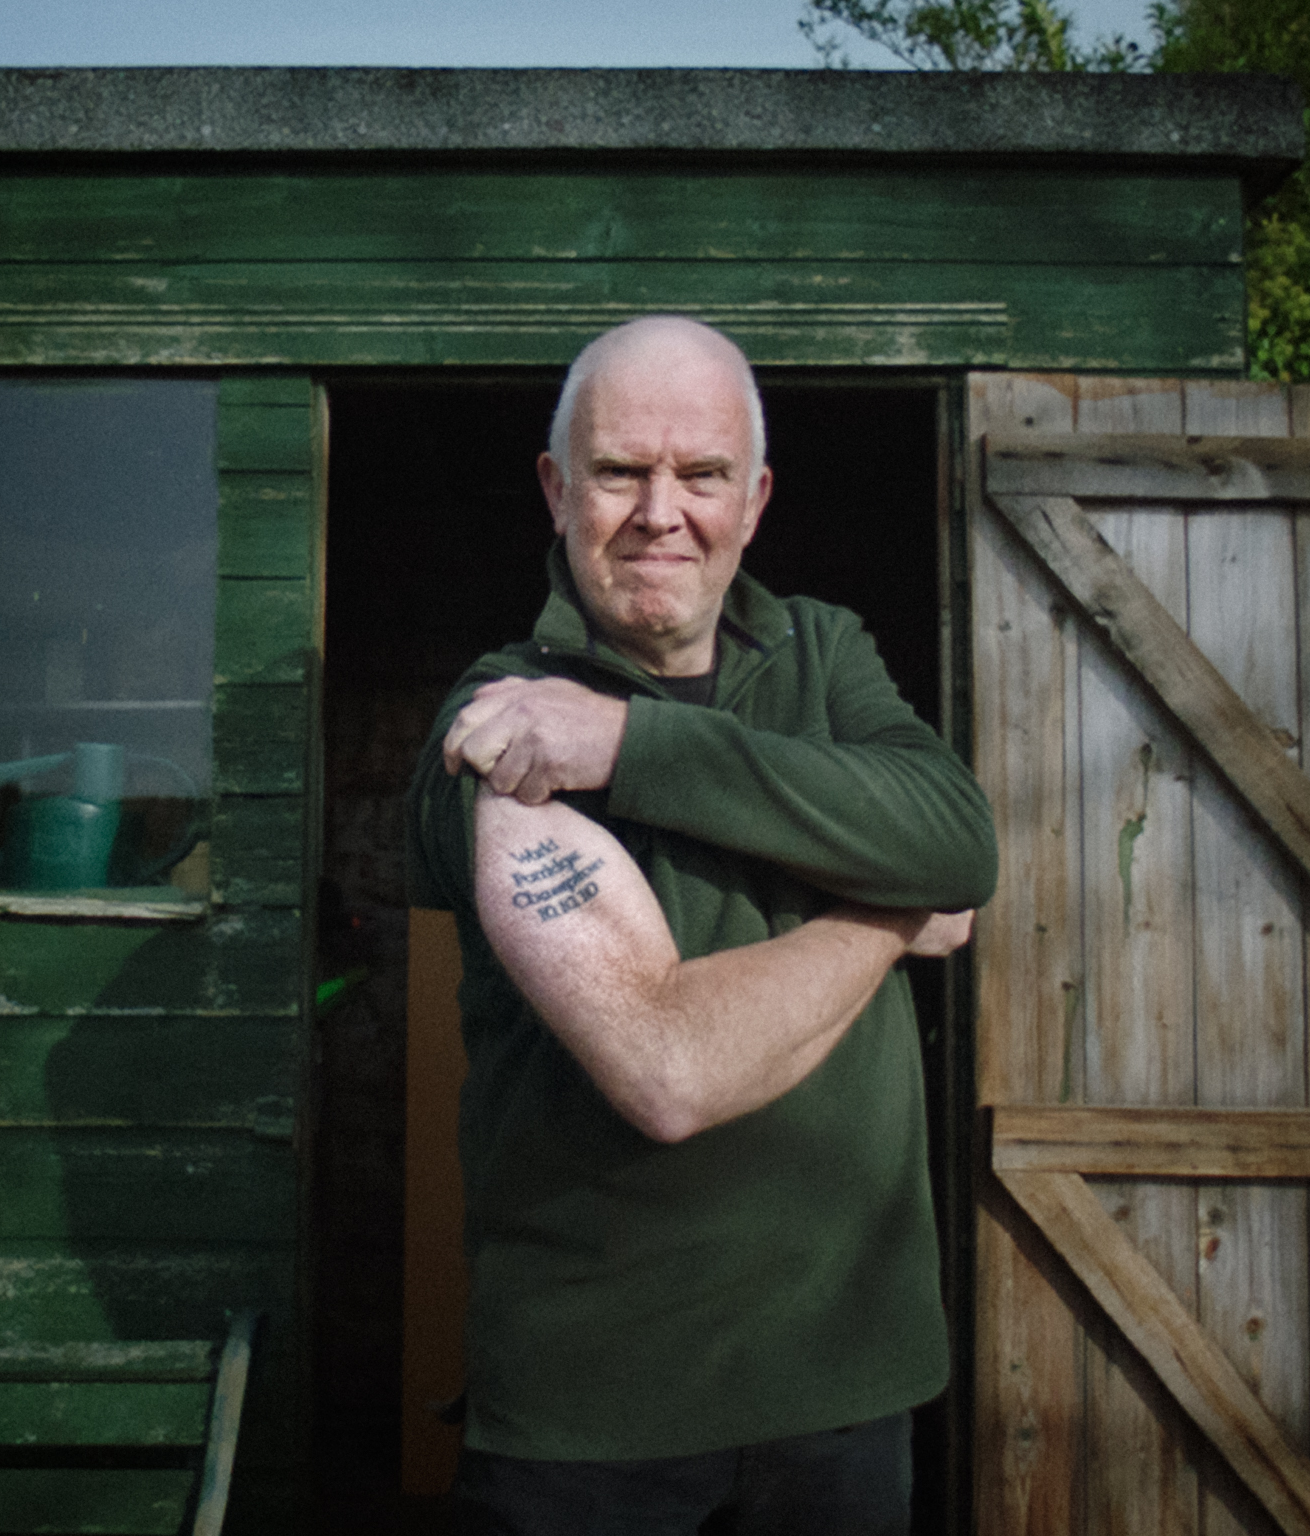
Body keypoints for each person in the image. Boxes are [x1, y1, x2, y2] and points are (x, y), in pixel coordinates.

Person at [406, 315, 997, 1535]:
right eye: (620, 471)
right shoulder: (501, 724)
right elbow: (665, 1068)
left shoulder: (818, 649)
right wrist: (887, 920)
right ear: (556, 489)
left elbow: (960, 841)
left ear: (756, 496)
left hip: (850, 1390)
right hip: (595, 1418)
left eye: (702, 474)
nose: (659, 512)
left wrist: (628, 745)